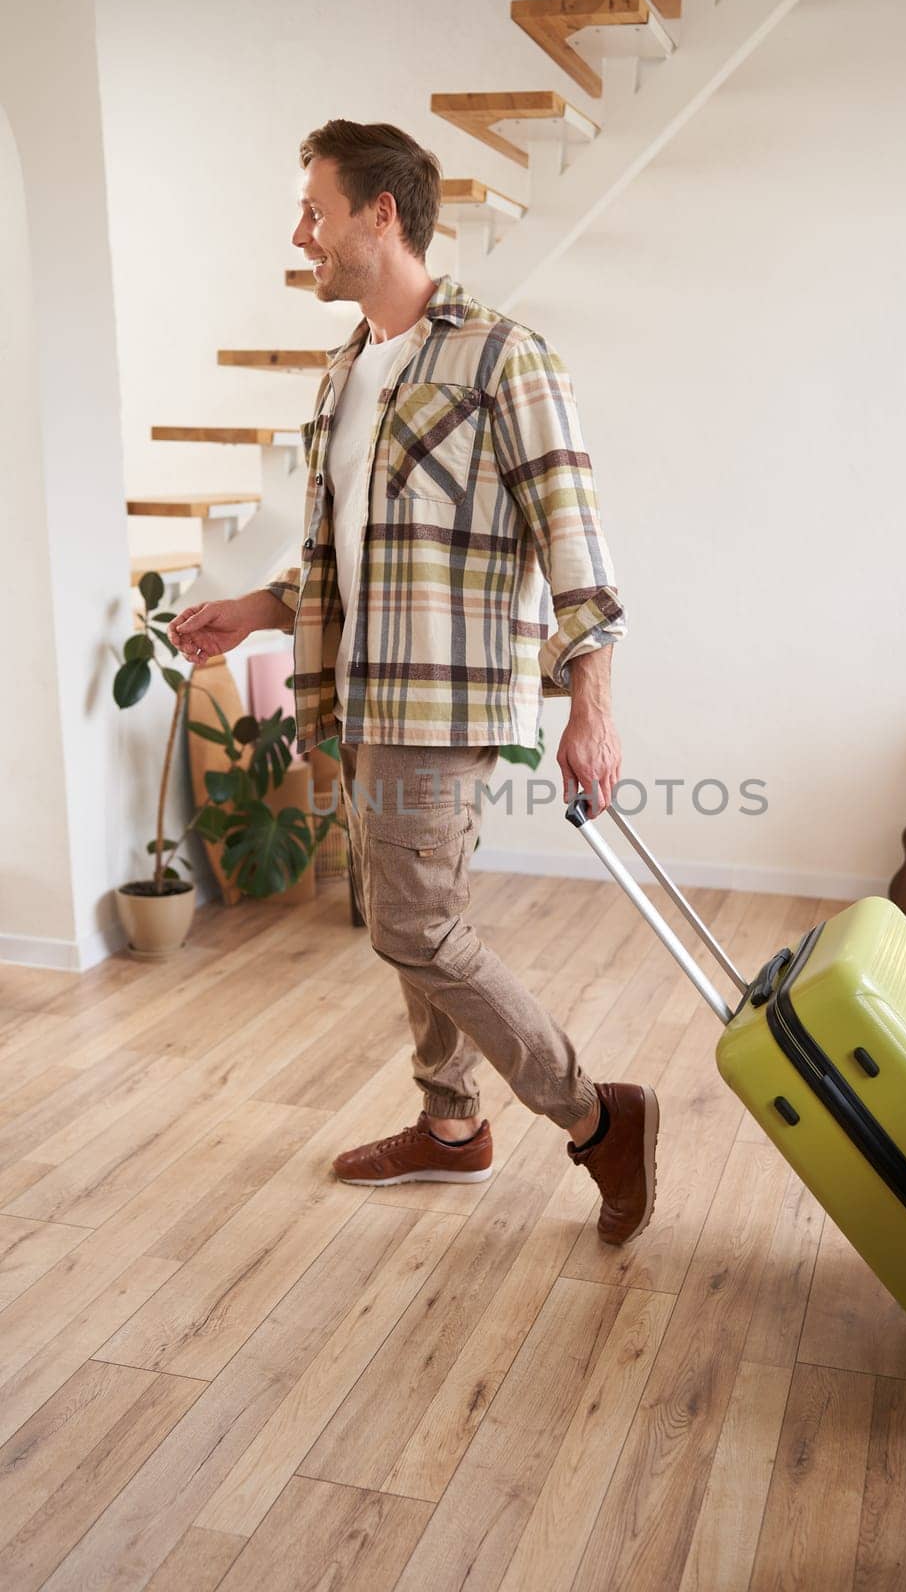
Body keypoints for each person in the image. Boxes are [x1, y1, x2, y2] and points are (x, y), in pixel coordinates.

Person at [171, 119, 658, 1244]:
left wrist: (593, 706)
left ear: (379, 215)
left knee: (415, 929)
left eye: (315, 211)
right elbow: (349, 555)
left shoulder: (502, 355)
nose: (302, 235)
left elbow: (575, 545)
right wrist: (253, 611)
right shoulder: (349, 370)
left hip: (441, 702)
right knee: (415, 910)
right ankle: (449, 1127)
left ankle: (594, 1116)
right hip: (358, 697)